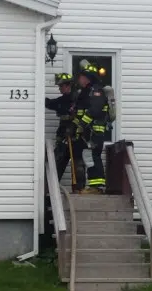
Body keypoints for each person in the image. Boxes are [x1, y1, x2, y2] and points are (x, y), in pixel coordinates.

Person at [72, 60, 111, 195]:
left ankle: (97, 187)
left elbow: (94, 110)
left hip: (95, 131)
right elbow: (81, 111)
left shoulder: (96, 91)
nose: (79, 80)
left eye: (81, 77)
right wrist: (76, 124)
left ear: (87, 78)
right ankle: (94, 186)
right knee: (89, 156)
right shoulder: (85, 92)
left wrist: (82, 124)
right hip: (88, 132)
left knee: (93, 156)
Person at [44, 73, 84, 191]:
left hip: (76, 136)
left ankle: (78, 189)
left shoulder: (77, 99)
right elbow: (51, 103)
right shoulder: (63, 100)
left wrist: (73, 128)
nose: (59, 89)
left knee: (77, 163)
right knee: (58, 161)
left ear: (68, 85)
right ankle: (51, 189)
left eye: (61, 86)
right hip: (63, 135)